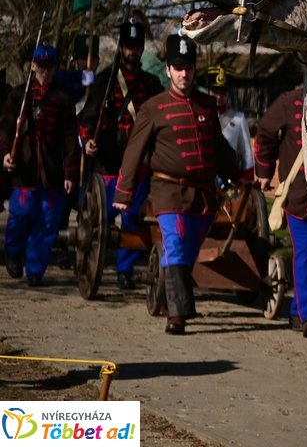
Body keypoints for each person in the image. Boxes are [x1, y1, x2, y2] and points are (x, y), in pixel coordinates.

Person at [115, 34, 237, 334]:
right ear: (168, 70)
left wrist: (236, 176)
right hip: (168, 192)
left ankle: (170, 300)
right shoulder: (153, 108)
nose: (184, 74)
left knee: (187, 252)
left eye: (189, 68)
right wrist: (124, 192)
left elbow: (218, 146)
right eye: (178, 68)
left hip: (203, 196)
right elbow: (135, 151)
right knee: (176, 246)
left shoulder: (206, 105)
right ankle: (178, 315)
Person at [80, 19, 164, 289]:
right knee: (100, 221)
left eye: (136, 46)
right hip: (108, 163)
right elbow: (87, 118)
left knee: (132, 220)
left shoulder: (151, 84)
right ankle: (93, 263)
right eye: (127, 46)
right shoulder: (105, 80)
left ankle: (124, 271)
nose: (131, 52)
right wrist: (86, 141)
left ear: (141, 48)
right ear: (120, 47)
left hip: (137, 166)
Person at [1, 45, 80, 285]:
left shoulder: (62, 98)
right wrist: (5, 153)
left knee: (47, 221)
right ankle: (13, 253)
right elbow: (4, 130)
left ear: (55, 68)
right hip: (23, 171)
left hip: (52, 172)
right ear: (33, 65)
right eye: (41, 66)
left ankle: (36, 268)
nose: (45, 71)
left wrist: (69, 172)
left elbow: (69, 138)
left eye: (50, 66)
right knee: (21, 214)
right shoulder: (17, 95)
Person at [254, 83, 307, 337]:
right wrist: (264, 172)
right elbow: (264, 133)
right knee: (306, 252)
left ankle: (300, 310)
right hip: (299, 194)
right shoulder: (289, 101)